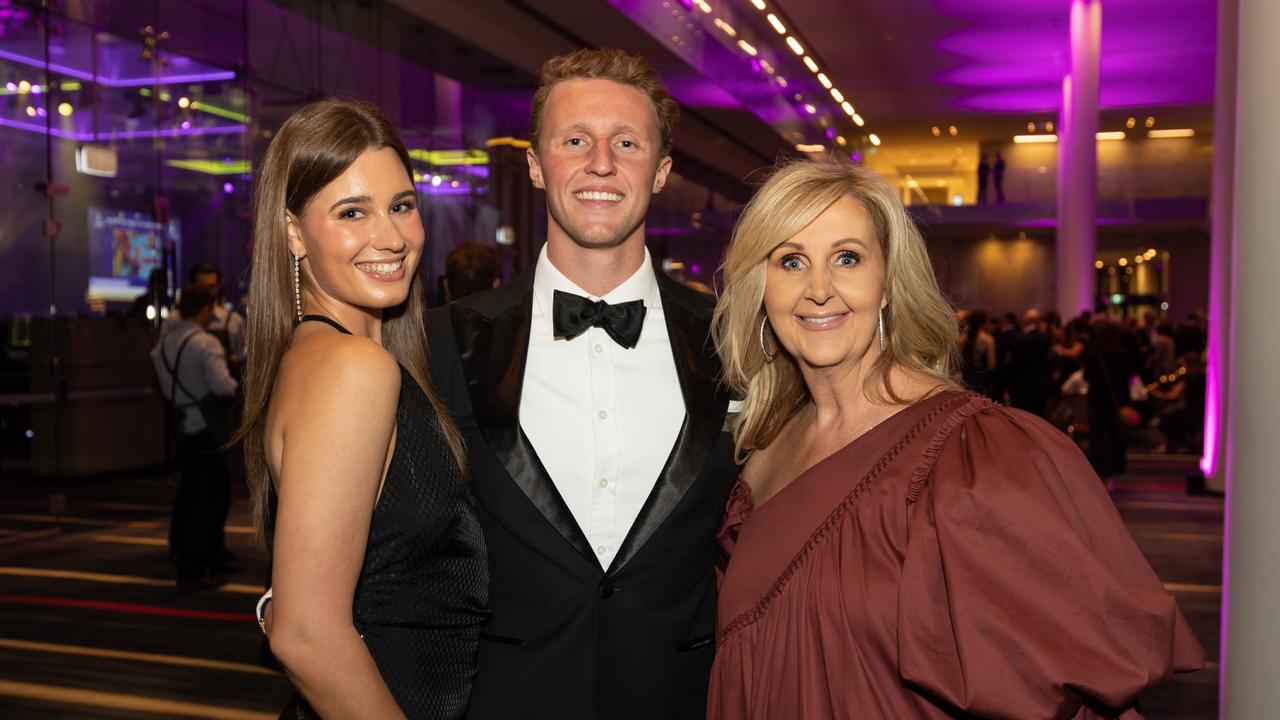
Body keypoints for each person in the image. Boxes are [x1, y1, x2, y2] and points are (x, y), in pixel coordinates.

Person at [708, 159, 1203, 719]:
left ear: (889, 281)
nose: (819, 289)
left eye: (847, 258)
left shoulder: (975, 452)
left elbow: (1076, 693)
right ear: (761, 287)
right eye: (791, 260)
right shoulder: (761, 455)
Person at [425, 49, 736, 719]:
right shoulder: (443, 341)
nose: (601, 161)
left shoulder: (737, 341)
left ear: (660, 171)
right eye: (575, 141)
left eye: (626, 142)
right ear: (537, 165)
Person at [241, 99, 485, 718]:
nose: (392, 237)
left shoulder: (325, 356)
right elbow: (303, 634)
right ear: (294, 231)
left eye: (402, 206)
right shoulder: (353, 369)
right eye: (353, 212)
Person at [150, 282, 239, 590]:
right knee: (212, 498)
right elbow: (222, 386)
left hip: (183, 425)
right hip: (209, 426)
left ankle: (198, 559)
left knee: (191, 495)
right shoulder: (206, 343)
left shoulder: (162, 344)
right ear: (204, 309)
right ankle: (195, 567)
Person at [188, 262, 248, 370]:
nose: (206, 292)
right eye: (202, 287)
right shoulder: (176, 320)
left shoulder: (232, 321)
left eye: (211, 287)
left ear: (218, 287)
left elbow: (242, 357)